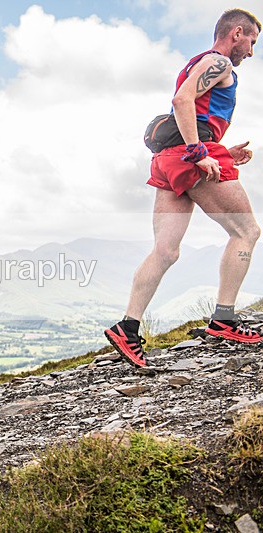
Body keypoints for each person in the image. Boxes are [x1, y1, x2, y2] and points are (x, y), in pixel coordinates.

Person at [105, 9, 261, 368]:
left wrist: (222, 149)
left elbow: (194, 111)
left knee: (166, 251)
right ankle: (225, 319)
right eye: (252, 41)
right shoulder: (219, 62)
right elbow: (182, 102)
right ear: (236, 33)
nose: (252, 52)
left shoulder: (198, 62)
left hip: (169, 158)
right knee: (247, 231)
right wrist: (199, 151)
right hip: (190, 155)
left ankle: (127, 327)